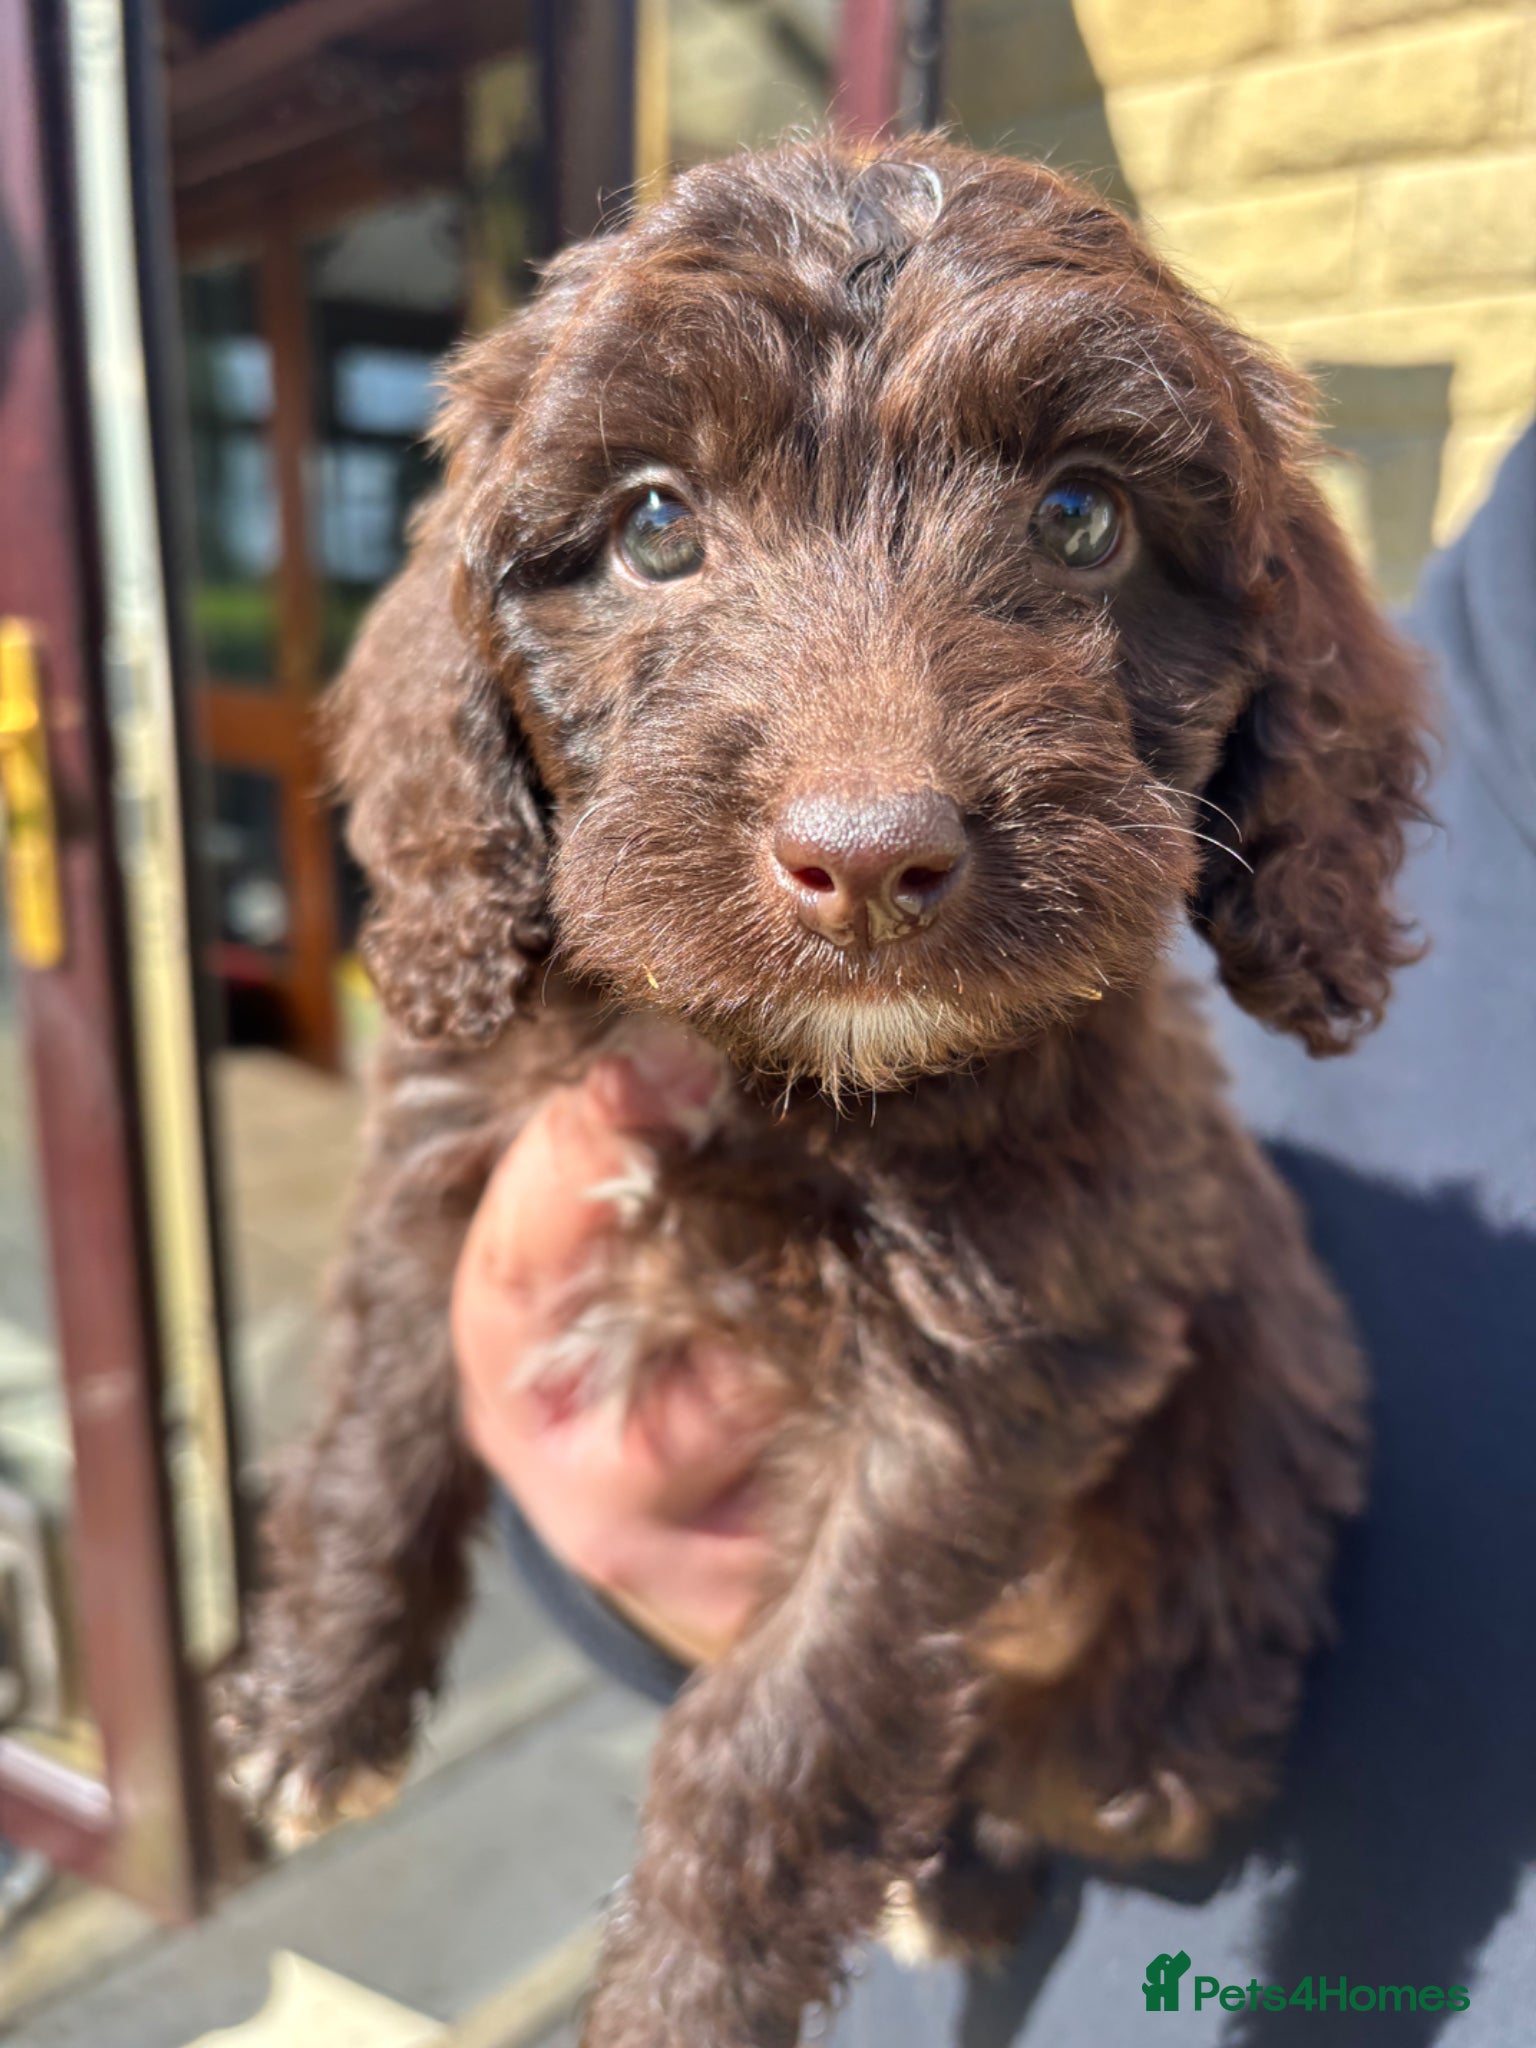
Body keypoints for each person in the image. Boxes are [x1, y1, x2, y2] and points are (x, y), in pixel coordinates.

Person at [452, 427, 1536, 2044]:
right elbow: (637, 1503)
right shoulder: (1495, 630)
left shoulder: (1305, 692)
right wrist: (614, 1532)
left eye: (1074, 516)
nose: (867, 796)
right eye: (666, 524)